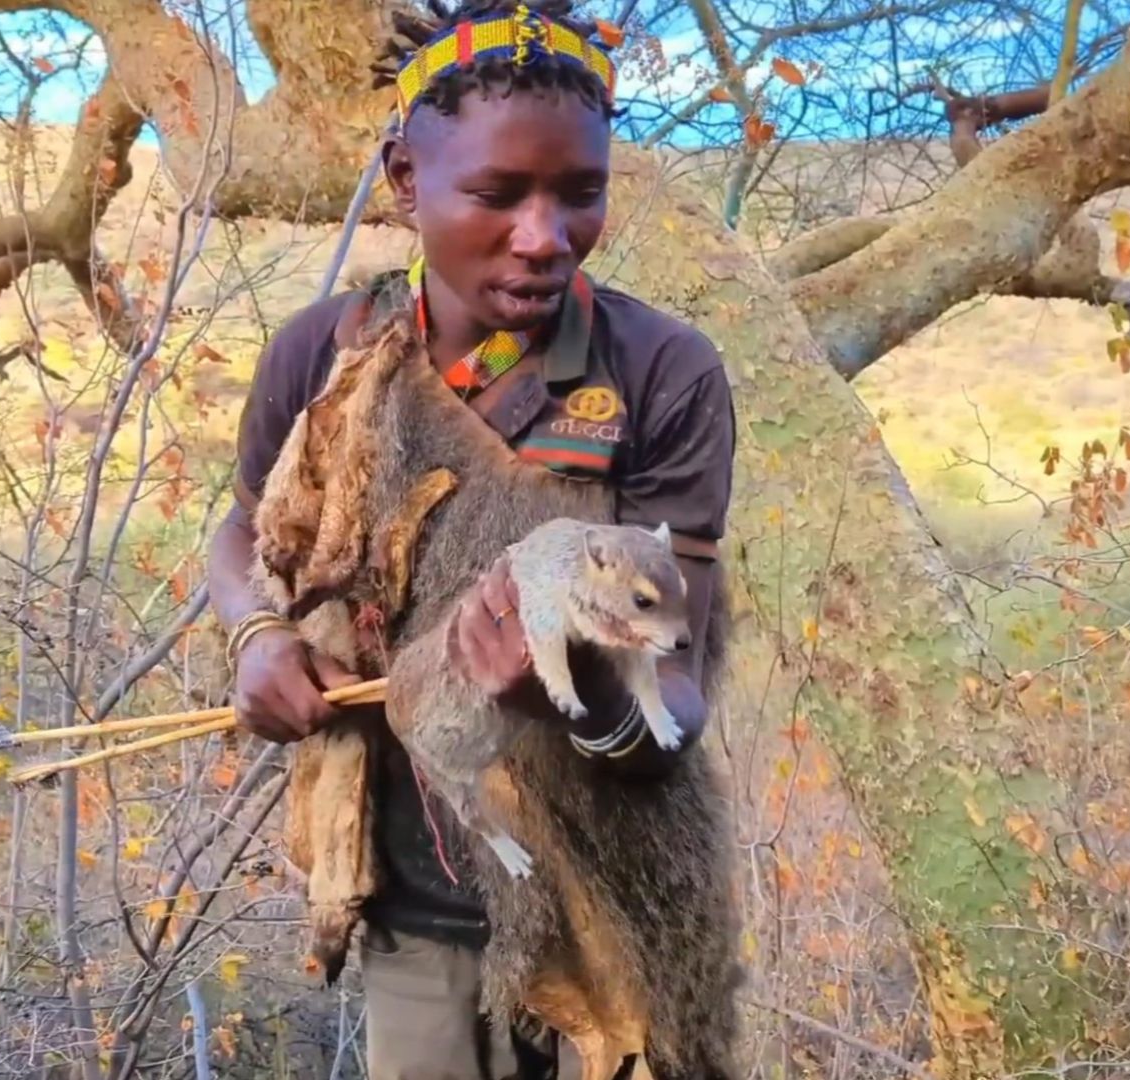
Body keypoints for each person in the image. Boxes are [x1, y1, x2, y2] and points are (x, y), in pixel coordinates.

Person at [206, 2, 737, 1076]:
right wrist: (256, 637)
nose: (544, 236)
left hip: (619, 897)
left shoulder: (661, 372)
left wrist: (572, 694)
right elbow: (242, 530)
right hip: (419, 899)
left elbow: (677, 683)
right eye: (497, 195)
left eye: (579, 194)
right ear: (406, 180)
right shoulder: (327, 354)